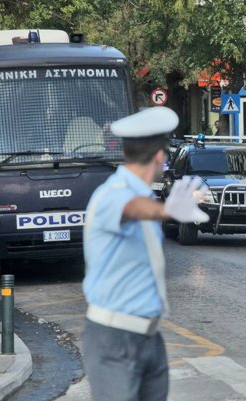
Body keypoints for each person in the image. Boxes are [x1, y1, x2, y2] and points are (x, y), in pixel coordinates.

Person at [81, 106, 210, 401]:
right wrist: (166, 210)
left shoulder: (143, 194)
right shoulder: (112, 193)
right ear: (160, 157)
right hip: (114, 338)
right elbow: (130, 210)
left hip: (150, 336)